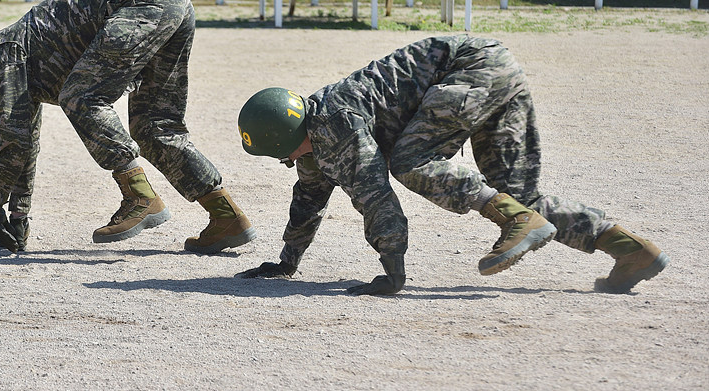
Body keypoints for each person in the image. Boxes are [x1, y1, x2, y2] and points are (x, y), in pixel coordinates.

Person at [235, 35, 668, 296]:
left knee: (410, 162)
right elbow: (308, 197)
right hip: (496, 70)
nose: (284, 162)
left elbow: (376, 197)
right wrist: (286, 262)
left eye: (280, 154)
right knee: (521, 198)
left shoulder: (334, 124)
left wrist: (392, 272)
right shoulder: (313, 134)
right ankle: (632, 251)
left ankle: (519, 221)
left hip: (471, 70)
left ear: (289, 140)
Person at [0, 0, 255, 254]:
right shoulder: (16, 62)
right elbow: (23, 147)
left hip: (141, 3)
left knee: (80, 98)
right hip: (170, 3)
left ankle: (140, 197)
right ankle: (226, 216)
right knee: (154, 126)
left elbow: (15, 142)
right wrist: (16, 220)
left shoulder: (1, 59)